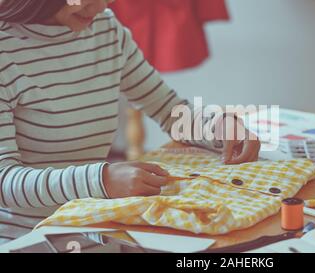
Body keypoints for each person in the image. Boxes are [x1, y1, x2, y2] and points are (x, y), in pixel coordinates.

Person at [0, 0, 260, 244]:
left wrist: (217, 127)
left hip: (96, 228)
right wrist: (102, 180)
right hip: (29, 239)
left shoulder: (106, 29)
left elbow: (168, 109)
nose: (103, 5)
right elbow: (4, 183)